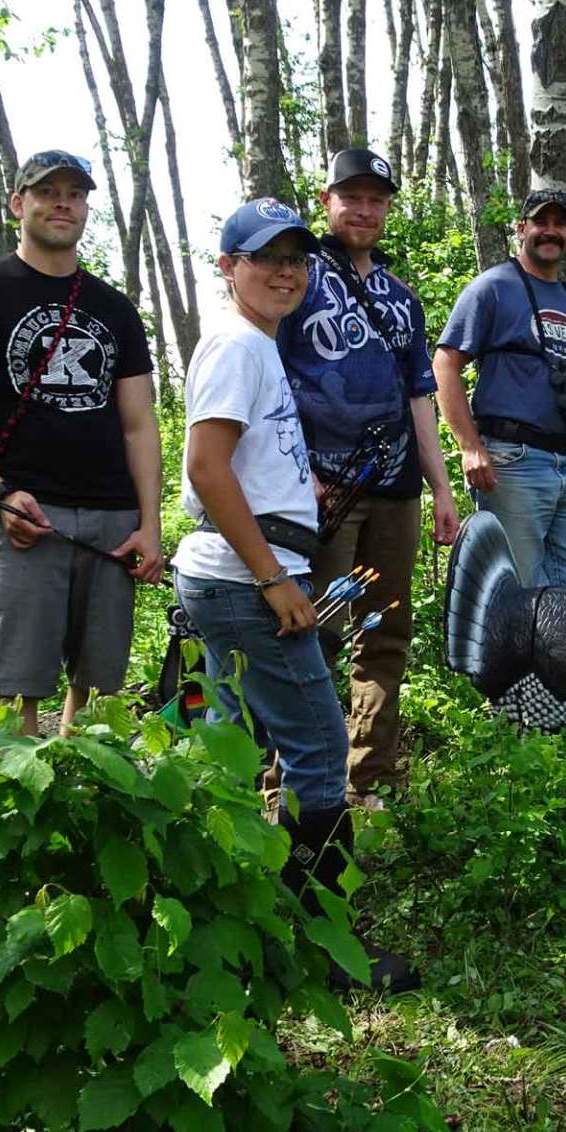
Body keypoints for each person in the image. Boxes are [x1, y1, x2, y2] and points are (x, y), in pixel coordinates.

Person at [173, 196, 417, 993]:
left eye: (295, 259)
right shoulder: (238, 347)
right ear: (228, 267)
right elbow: (205, 468)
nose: (284, 272)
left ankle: (236, 923)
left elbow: (240, 459)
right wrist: (275, 577)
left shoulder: (258, 344)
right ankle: (323, 946)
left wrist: (293, 482)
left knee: (233, 748)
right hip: (247, 580)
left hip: (236, 573)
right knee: (317, 749)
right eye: (266, 258)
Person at [0, 149, 163, 736]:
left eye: (75, 194)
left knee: (100, 689)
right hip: (25, 515)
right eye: (47, 192)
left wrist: (150, 524)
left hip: (113, 519)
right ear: (18, 203)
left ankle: (84, 785)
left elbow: (139, 424)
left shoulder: (114, 308)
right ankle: (14, 789)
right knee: (13, 687)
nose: (63, 204)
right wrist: (2, 493)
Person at [280, 148, 460, 803]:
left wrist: (440, 488)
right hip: (325, 492)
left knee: (384, 632)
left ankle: (369, 777)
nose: (363, 210)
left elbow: (420, 396)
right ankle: (295, 787)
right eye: (351, 197)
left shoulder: (402, 298)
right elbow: (273, 381)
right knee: (314, 633)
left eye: (376, 199)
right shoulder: (297, 280)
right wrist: (296, 470)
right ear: (326, 201)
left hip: (395, 489)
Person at [433, 189, 566, 591]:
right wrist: (470, 446)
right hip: (513, 461)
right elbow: (445, 364)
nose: (550, 231)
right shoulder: (493, 287)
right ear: (521, 228)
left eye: (560, 223)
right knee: (518, 593)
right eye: (541, 222)